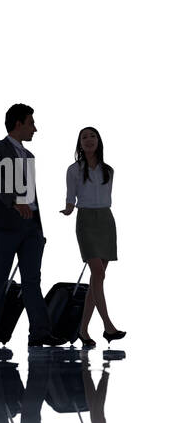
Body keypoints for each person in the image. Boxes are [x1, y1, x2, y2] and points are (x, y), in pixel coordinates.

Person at [0, 104, 62, 347]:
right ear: (18, 124)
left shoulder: (30, 156)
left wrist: (39, 229)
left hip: (32, 228)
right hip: (5, 225)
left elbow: (32, 194)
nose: (35, 129)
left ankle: (40, 333)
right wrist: (15, 201)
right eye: (31, 123)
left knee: (32, 280)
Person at [60, 126, 124, 347]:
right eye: (84, 137)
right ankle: (108, 325)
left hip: (106, 220)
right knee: (97, 272)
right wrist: (68, 209)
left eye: (92, 136)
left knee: (98, 277)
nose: (89, 140)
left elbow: (107, 197)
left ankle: (83, 329)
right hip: (86, 220)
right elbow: (71, 197)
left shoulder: (109, 170)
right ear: (80, 143)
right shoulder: (73, 169)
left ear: (99, 141)